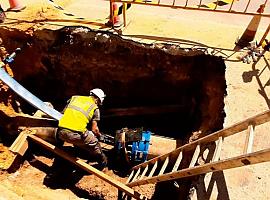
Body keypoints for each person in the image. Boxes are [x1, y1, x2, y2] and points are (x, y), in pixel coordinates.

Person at [57, 88, 108, 170]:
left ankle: (80, 150)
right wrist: (98, 135)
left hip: (60, 132)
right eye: (99, 102)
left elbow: (63, 113)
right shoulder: (95, 108)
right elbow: (94, 129)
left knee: (81, 136)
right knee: (95, 143)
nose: (98, 104)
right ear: (97, 99)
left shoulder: (75, 98)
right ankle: (103, 162)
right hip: (74, 135)